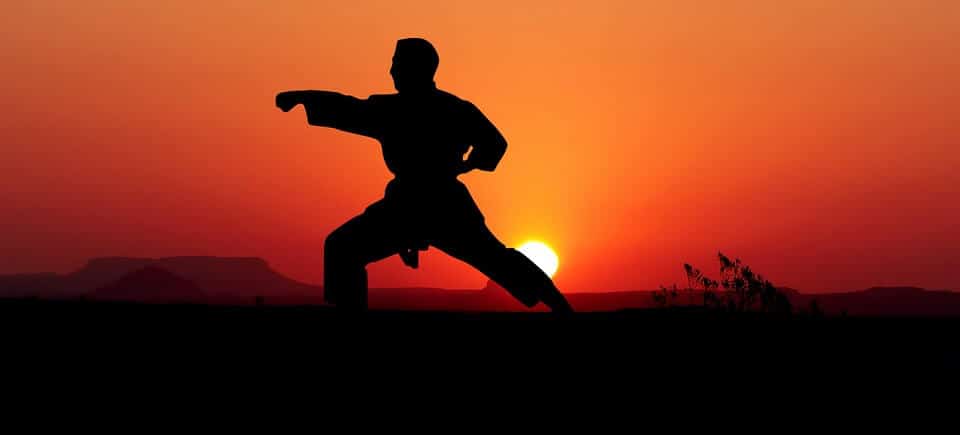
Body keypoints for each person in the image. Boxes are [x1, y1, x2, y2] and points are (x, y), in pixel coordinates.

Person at [276, 38, 572, 313]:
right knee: (344, 247)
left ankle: (560, 307)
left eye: (396, 63)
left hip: (439, 204)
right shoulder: (441, 108)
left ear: (413, 68)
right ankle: (561, 308)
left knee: (496, 259)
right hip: (410, 204)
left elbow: (494, 144)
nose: (391, 70)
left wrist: (469, 164)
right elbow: (348, 108)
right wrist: (304, 97)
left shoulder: (411, 110)